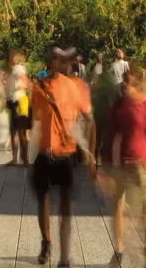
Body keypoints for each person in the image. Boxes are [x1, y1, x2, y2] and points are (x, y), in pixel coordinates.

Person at [31, 47, 96, 267]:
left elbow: (89, 118)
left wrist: (90, 153)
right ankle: (46, 243)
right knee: (43, 200)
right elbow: (36, 118)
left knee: (66, 206)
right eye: (58, 59)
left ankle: (64, 257)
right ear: (52, 62)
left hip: (66, 153)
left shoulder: (73, 87)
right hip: (44, 152)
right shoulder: (38, 87)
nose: (63, 64)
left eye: (65, 60)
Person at [98, 68, 146, 268]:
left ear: (138, 85)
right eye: (124, 81)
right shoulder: (120, 107)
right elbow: (109, 136)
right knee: (126, 212)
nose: (124, 85)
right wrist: (106, 168)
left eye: (128, 82)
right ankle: (121, 249)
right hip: (128, 168)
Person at [5, 53, 31, 166]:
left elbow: (24, 81)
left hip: (17, 101)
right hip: (19, 101)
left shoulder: (17, 68)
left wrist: (20, 86)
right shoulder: (20, 69)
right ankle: (21, 158)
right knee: (19, 131)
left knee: (17, 132)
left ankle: (21, 159)